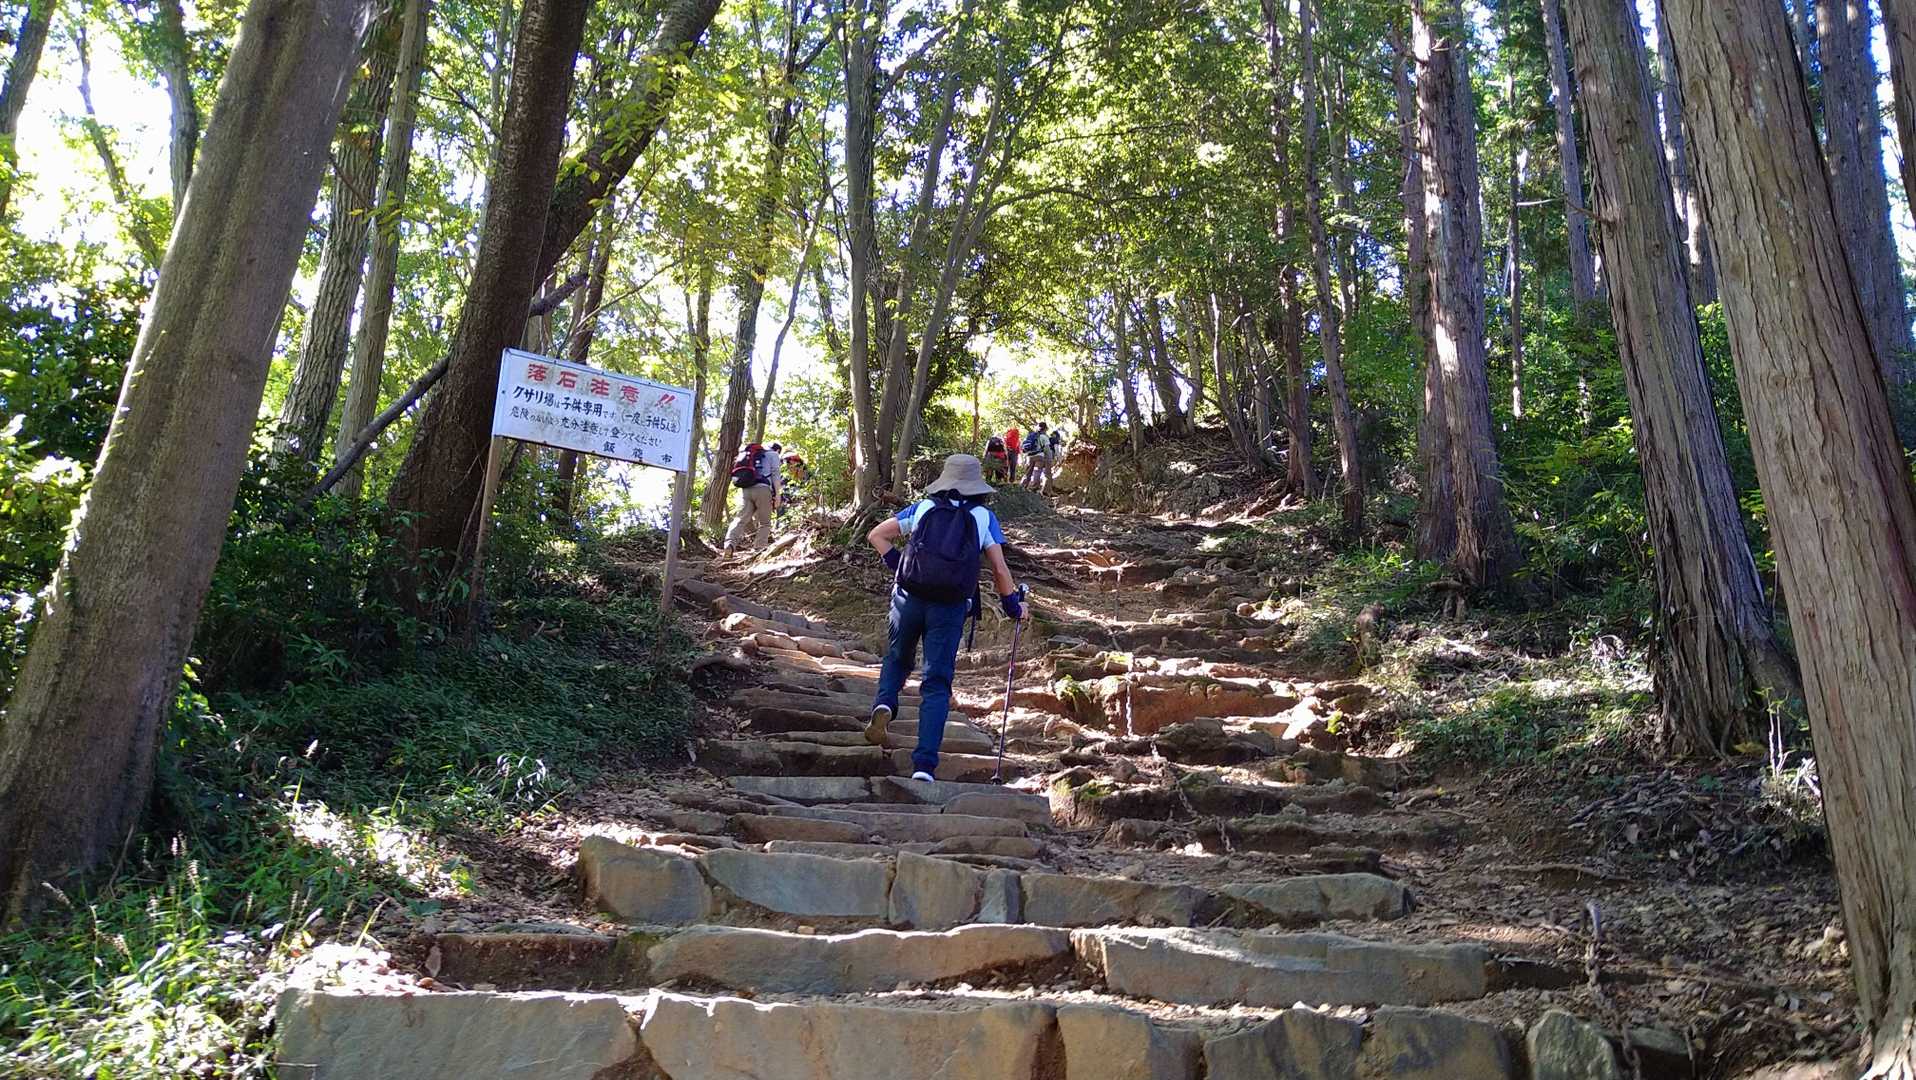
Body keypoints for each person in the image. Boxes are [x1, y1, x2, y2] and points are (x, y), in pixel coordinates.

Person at [863, 454, 1027, 782]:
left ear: (945, 480)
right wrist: (1013, 606)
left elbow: (876, 535)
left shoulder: (924, 508)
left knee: (897, 658)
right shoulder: (983, 517)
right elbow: (999, 568)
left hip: (908, 598)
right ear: (977, 486)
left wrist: (901, 568)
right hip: (950, 607)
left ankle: (885, 704)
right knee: (936, 683)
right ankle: (924, 766)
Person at [724, 441, 782, 550]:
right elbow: (775, 474)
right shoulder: (773, 455)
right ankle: (759, 548)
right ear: (777, 450)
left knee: (741, 519)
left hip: (747, 489)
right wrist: (778, 495)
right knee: (765, 523)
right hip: (763, 490)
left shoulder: (753, 454)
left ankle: (729, 543)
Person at [1023, 422, 1054, 493]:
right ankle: (1034, 488)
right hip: (1039, 456)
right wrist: (1049, 459)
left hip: (1030, 456)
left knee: (1028, 472)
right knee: (1037, 472)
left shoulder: (1032, 435)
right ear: (1045, 429)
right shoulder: (1044, 437)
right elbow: (1047, 449)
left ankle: (1023, 486)